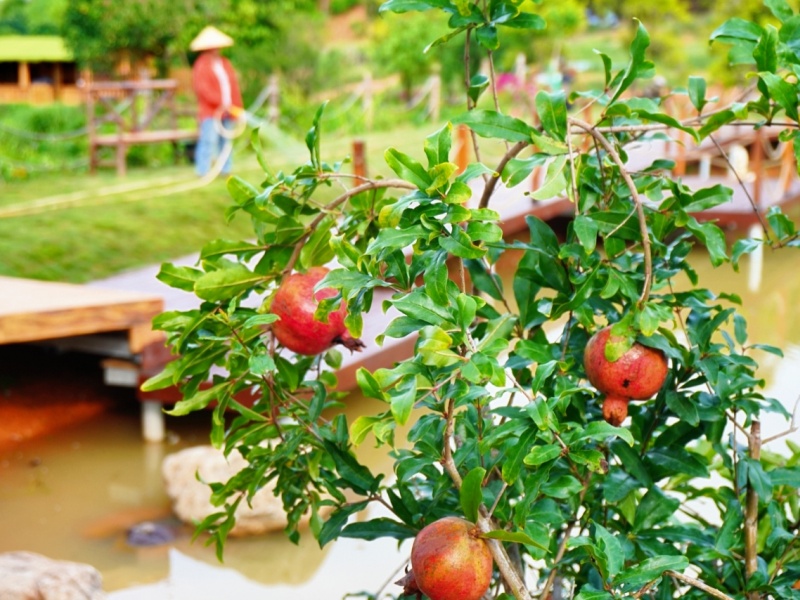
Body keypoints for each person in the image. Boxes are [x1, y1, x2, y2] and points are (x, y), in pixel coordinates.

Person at [189, 25, 244, 177]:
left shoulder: (224, 63)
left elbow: (233, 86)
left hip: (228, 109)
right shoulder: (201, 65)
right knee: (208, 140)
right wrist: (220, 103)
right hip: (211, 111)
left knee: (226, 142)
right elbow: (203, 89)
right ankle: (203, 170)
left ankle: (225, 169)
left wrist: (236, 107)